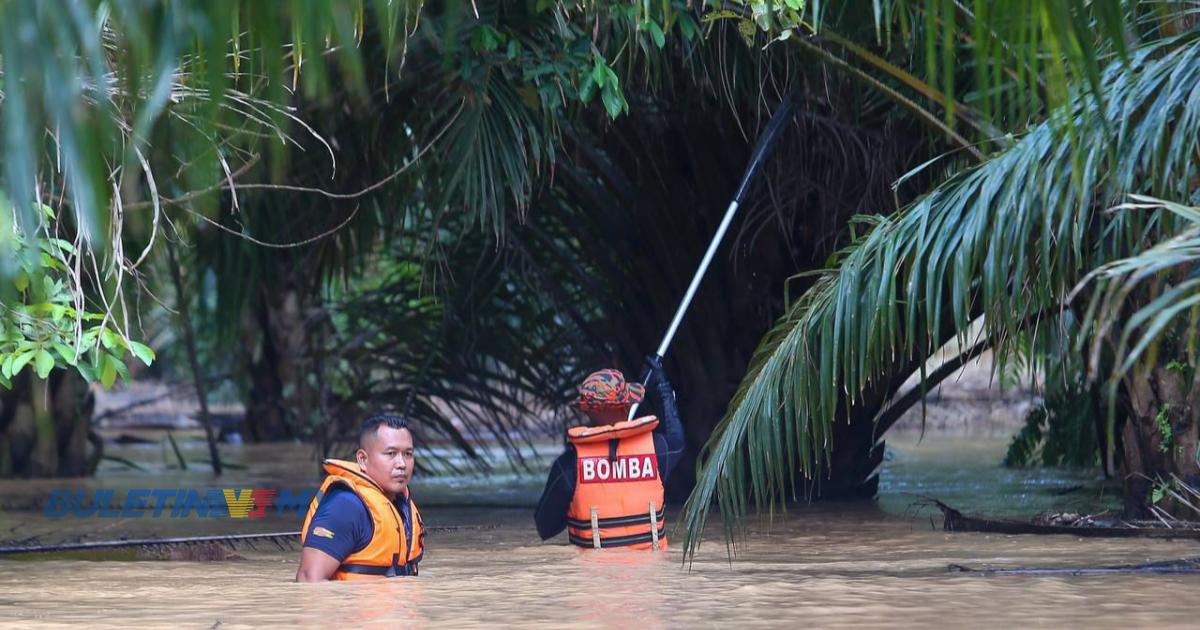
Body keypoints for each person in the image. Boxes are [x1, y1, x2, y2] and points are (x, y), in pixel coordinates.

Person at [534, 355, 685, 549]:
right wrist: (662, 388)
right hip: (649, 575)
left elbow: (545, 528)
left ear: (586, 411)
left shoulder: (569, 466)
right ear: (626, 406)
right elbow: (677, 439)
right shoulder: (657, 452)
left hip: (596, 575)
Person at [296, 415, 424, 581]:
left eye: (408, 454)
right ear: (363, 459)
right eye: (391, 453)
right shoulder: (345, 506)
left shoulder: (399, 504)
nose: (402, 464)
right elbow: (309, 581)